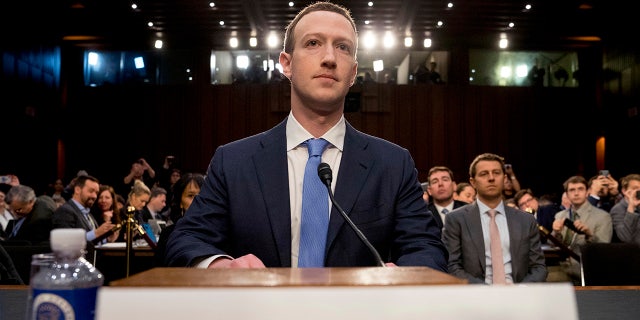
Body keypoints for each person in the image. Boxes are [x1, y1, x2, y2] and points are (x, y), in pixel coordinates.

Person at [165, 1, 448, 271]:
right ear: (286, 64)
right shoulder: (234, 161)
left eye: (343, 47)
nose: (329, 58)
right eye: (313, 43)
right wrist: (221, 266)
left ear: (352, 73)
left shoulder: (392, 164)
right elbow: (186, 240)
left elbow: (426, 247)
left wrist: (403, 274)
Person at [442, 153, 547, 284]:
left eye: (496, 173)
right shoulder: (456, 219)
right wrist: (488, 293)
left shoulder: (526, 220)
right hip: (475, 297)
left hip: (518, 296)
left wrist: (520, 291)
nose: (491, 178)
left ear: (504, 178)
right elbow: (451, 266)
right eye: (484, 174)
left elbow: (539, 268)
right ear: (473, 182)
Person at [551, 175, 612, 285]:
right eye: (572, 190)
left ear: (587, 191)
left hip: (587, 267)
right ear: (567, 194)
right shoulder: (560, 215)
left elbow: (604, 249)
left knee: (548, 278)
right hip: (562, 266)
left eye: (580, 189)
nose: (576, 193)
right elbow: (552, 244)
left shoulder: (603, 216)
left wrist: (589, 235)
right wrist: (556, 232)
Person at [155, 173, 205, 267]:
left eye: (201, 196)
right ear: (180, 202)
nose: (197, 201)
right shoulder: (168, 234)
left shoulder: (219, 233)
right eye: (190, 196)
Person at [52, 175, 115, 244]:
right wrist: (96, 233)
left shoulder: (88, 214)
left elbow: (93, 241)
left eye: (96, 193)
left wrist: (107, 239)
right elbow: (66, 242)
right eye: (91, 191)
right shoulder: (65, 211)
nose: (94, 196)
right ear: (77, 190)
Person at [610, 174, 640, 245]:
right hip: (633, 252)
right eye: (635, 188)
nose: (639, 191)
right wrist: (631, 207)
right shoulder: (617, 210)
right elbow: (625, 237)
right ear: (624, 191)